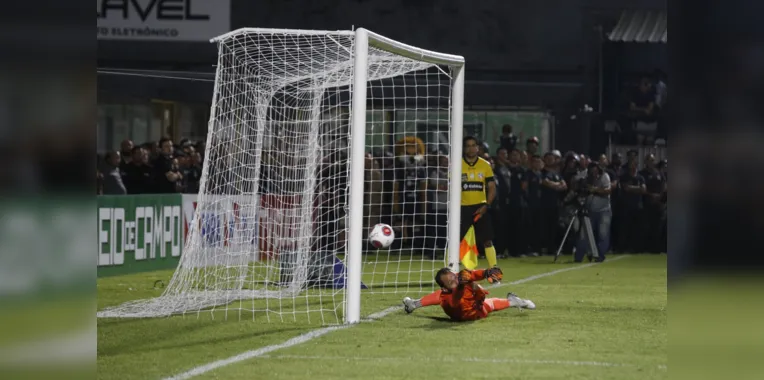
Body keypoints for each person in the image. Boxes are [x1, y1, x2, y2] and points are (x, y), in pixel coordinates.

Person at [402, 267, 535, 319]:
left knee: (444, 294)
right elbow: (457, 296)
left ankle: (414, 304)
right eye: (451, 280)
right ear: (445, 286)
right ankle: (513, 301)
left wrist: (486, 272)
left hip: (469, 311)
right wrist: (480, 276)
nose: (455, 278)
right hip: (475, 310)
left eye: (454, 276)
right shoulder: (453, 293)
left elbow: (471, 275)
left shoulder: (450, 291)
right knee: (488, 302)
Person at [460, 136, 499, 267]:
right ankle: (451, 271)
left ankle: (494, 271)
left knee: (487, 240)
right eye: (468, 145)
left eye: (473, 145)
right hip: (462, 208)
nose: (471, 148)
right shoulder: (457, 164)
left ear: (478, 148)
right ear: (464, 148)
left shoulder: (485, 165)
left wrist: (486, 205)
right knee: (456, 240)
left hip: (480, 208)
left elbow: (492, 187)